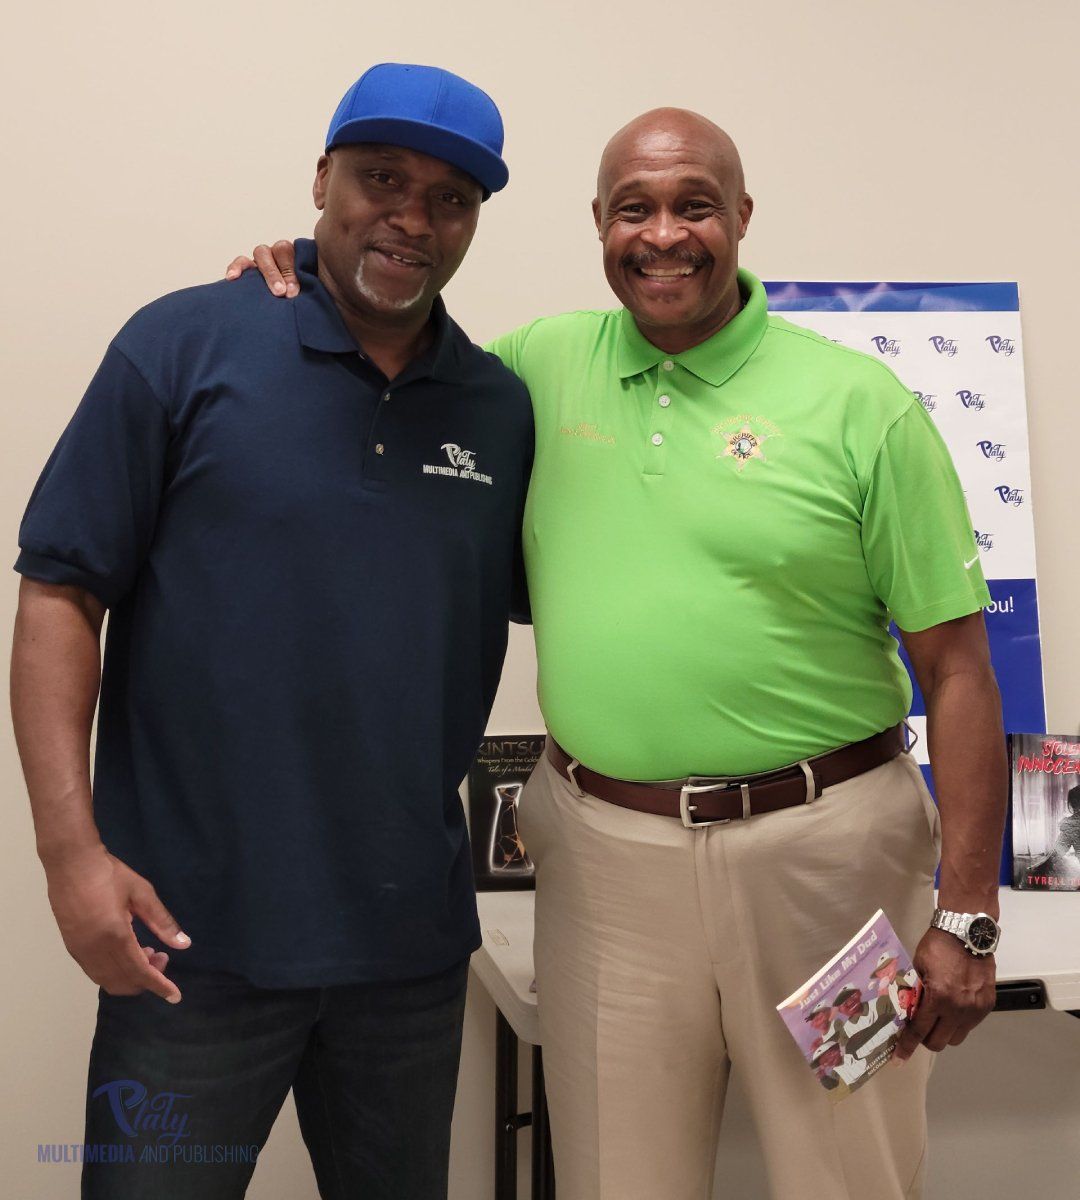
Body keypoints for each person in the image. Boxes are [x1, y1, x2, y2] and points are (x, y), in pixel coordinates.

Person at [236, 105, 1007, 1200]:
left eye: (694, 204)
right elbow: (384, 358)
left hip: (833, 872)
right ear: (598, 222)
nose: (663, 233)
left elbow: (961, 670)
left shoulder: (860, 407)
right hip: (605, 871)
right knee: (614, 1179)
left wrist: (968, 916)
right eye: (634, 208)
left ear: (741, 217)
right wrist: (302, 273)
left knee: (850, 1177)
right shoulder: (533, 371)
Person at [11, 63, 531, 1200]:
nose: (411, 215)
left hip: (408, 956)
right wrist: (70, 860)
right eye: (380, 177)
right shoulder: (183, 346)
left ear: (475, 222)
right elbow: (59, 596)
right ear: (320, 179)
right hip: (189, 947)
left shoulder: (499, 405)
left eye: (450, 198)